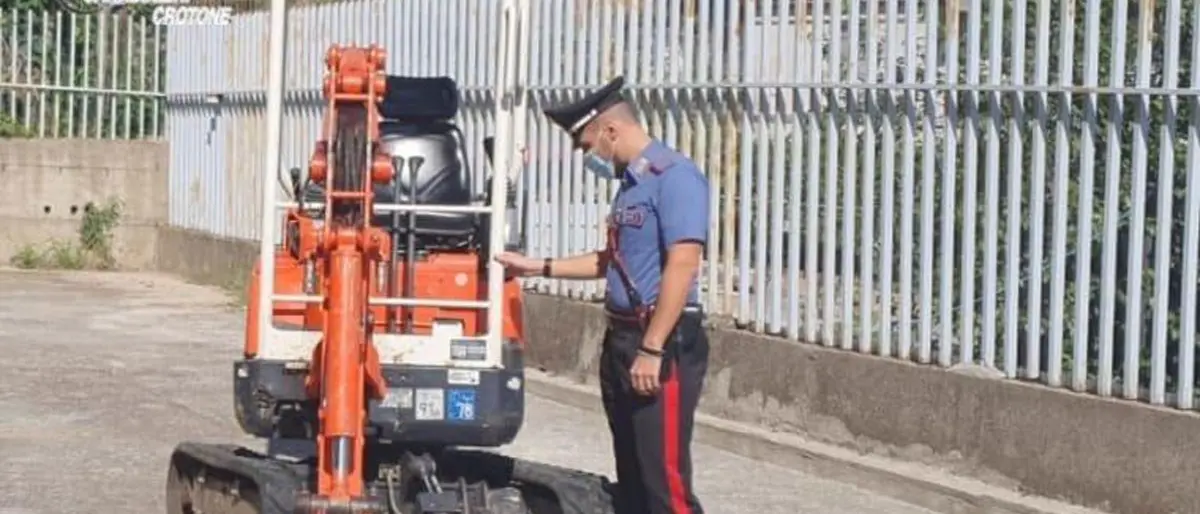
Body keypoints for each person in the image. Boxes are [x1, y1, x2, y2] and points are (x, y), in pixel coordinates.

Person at [493, 76, 710, 514]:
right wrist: (538, 266)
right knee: (632, 478)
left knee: (663, 483)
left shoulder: (676, 177)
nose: (585, 155)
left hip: (659, 342)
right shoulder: (632, 185)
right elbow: (611, 260)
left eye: (585, 144)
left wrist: (652, 348)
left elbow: (683, 264)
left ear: (610, 131)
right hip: (624, 340)